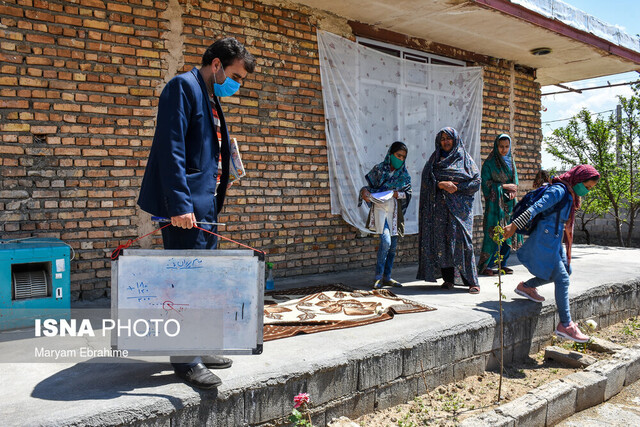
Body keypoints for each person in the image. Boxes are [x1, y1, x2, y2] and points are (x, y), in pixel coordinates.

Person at [138, 37, 256, 389]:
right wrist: (179, 205)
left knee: (204, 283)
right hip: (185, 209)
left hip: (205, 206)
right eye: (236, 75)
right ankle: (186, 360)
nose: (238, 84)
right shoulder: (182, 87)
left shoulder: (210, 96)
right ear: (217, 64)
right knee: (184, 284)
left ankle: (202, 346)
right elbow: (170, 148)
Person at [503, 165, 600, 342]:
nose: (586, 191)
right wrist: (514, 225)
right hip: (545, 237)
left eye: (589, 189)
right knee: (562, 278)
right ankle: (566, 325)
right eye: (586, 186)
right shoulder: (559, 190)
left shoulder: (570, 192)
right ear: (578, 179)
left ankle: (526, 287)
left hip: (554, 238)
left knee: (566, 272)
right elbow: (536, 208)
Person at [416, 127, 481, 294]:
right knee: (442, 243)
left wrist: (456, 188)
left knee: (463, 243)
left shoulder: (465, 159)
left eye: (448, 138)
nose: (445, 142)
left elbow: (476, 182)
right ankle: (448, 279)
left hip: (460, 211)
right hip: (439, 211)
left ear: (455, 139)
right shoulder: (434, 160)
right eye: (443, 139)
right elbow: (426, 180)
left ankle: (472, 281)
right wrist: (440, 184)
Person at [359, 142, 412, 289]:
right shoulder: (379, 170)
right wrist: (364, 192)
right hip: (380, 210)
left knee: (393, 246)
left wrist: (396, 194)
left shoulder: (404, 175)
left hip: (394, 212)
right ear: (390, 154)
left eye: (403, 157)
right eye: (398, 155)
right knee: (386, 242)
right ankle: (378, 277)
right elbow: (369, 188)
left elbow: (408, 194)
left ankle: (387, 277)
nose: (400, 159)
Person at [477, 134, 522, 276]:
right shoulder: (489, 163)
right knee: (493, 233)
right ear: (496, 146)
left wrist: (513, 189)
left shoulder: (511, 161)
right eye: (501, 146)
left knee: (508, 232)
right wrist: (504, 186)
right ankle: (487, 265)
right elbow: (485, 184)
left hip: (509, 203)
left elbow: (515, 181)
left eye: (506, 147)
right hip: (495, 206)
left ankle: (502, 263)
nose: (504, 149)